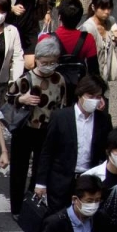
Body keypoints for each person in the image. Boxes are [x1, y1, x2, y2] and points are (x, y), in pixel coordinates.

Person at [6, 35, 67, 215]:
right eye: (45, 61)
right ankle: (16, 208)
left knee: (40, 169)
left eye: (52, 62)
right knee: (19, 169)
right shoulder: (25, 79)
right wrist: (21, 99)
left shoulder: (60, 80)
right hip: (25, 129)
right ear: (37, 60)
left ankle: (31, 205)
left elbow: (63, 104)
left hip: (47, 131)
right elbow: (7, 99)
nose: (49, 65)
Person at [33, 74, 111, 213]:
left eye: (98, 97)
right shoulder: (60, 117)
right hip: (61, 181)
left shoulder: (103, 119)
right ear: (80, 94)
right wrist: (41, 183)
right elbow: (47, 151)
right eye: (90, 95)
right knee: (58, 220)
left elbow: (106, 151)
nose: (94, 100)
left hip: (88, 179)